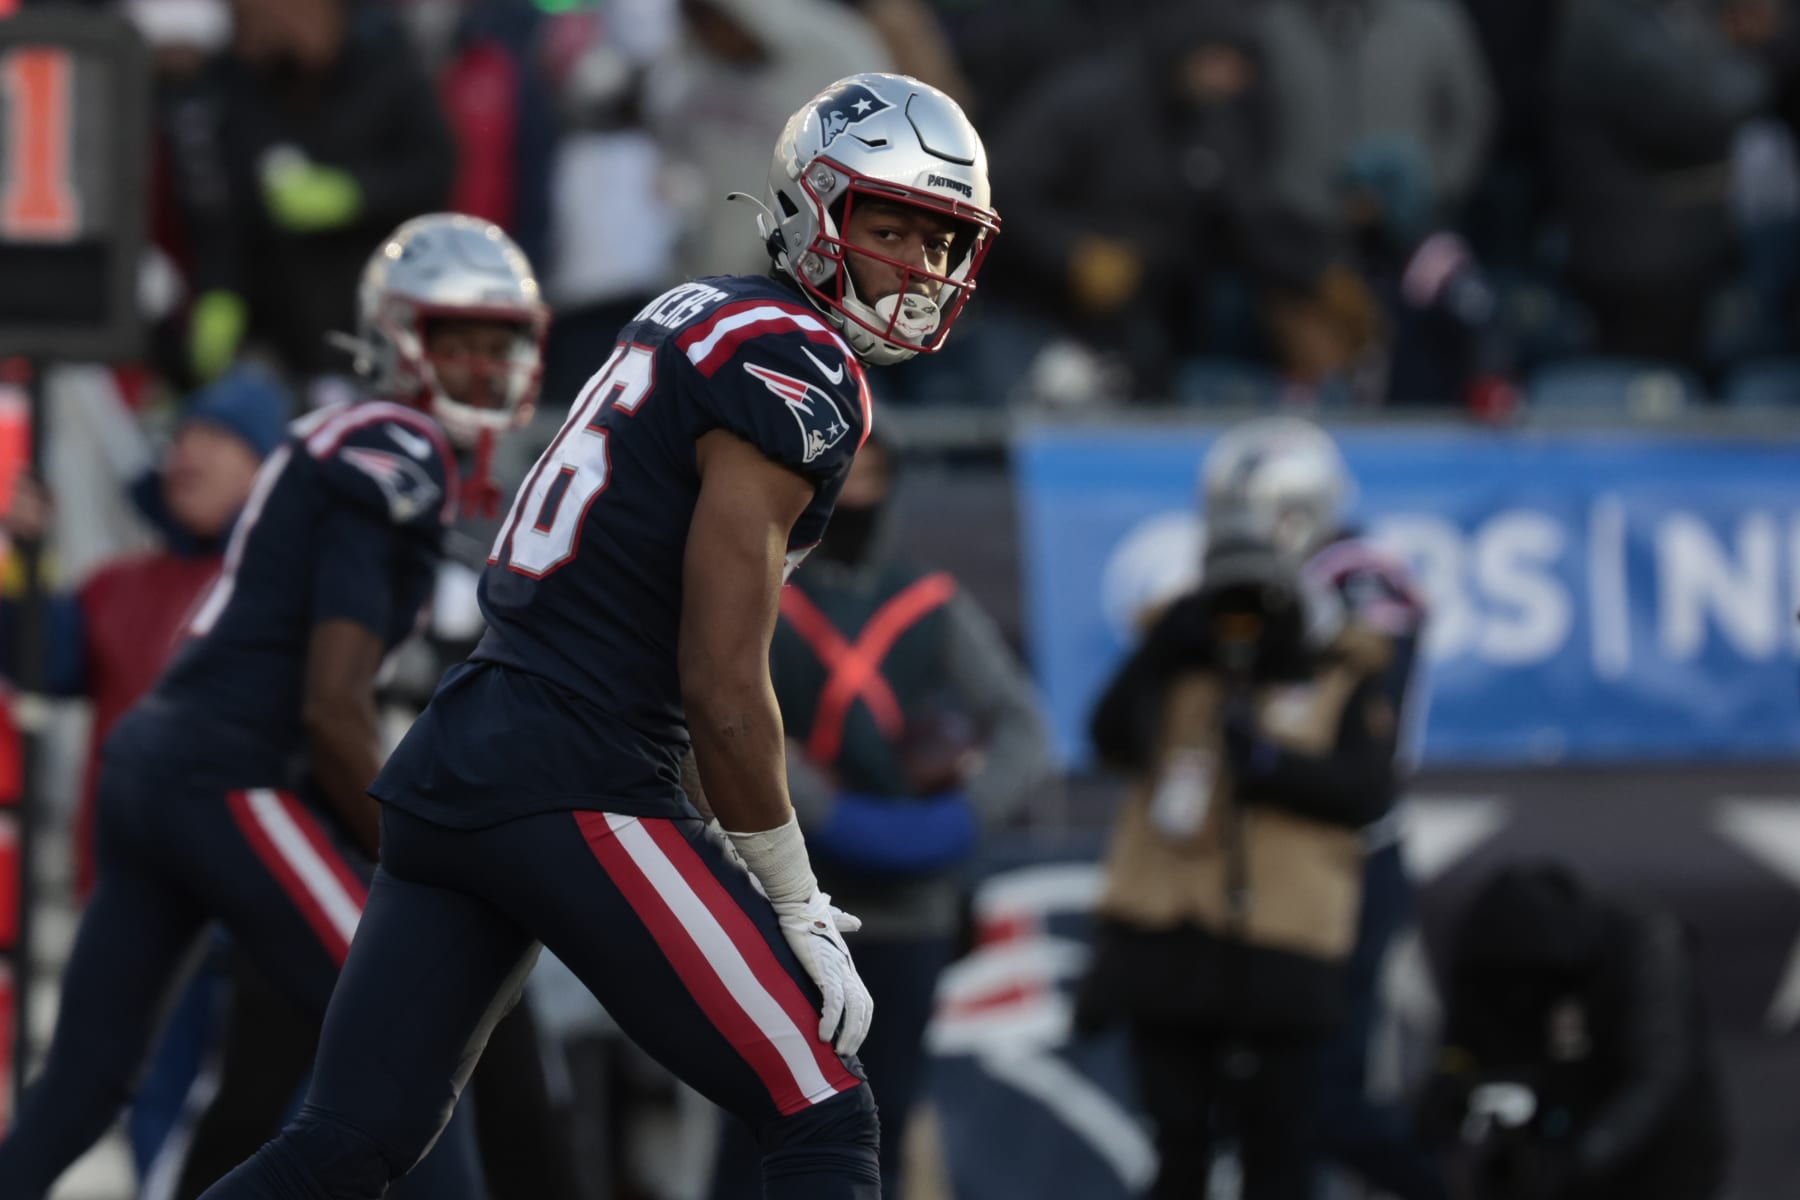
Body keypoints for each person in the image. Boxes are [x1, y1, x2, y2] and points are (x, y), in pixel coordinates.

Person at [197, 72, 1000, 1200]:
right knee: (825, 1110)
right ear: (814, 208)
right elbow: (722, 680)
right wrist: (792, 892)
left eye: (939, 234)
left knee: (347, 1141)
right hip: (576, 769)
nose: (916, 262)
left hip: (462, 746)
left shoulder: (697, 309)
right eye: (890, 224)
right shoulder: (799, 364)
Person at [0, 212, 549, 1200]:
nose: (478, 366)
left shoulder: (341, 434)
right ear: (395, 338)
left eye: (496, 340)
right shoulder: (396, 449)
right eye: (453, 339)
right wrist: (424, 857)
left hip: (155, 770)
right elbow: (331, 705)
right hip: (227, 775)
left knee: (81, 1086)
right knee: (415, 1038)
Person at [1078, 416, 1425, 1200]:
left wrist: (1277, 649)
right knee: (1187, 1126)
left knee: (1313, 1109)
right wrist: (1179, 641)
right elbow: (1120, 735)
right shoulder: (1205, 604)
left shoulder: (1360, 583)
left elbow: (1363, 724)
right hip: (1206, 883)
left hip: (1329, 877)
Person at [709, 423, 1054, 1199]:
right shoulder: (764, 593)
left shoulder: (927, 599)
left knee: (884, 1117)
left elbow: (1024, 728)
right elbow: (721, 719)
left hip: (912, 911)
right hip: (787, 898)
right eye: (846, 470)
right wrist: (821, 810)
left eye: (876, 471)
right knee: (761, 1118)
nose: (859, 488)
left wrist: (960, 819)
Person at [1422, 861, 1728, 1200]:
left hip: (1661, 1154)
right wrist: (1449, 1092)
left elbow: (1658, 1076)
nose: (1525, 999)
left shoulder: (1643, 946)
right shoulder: (1492, 955)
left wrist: (1581, 1158)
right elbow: (1463, 1046)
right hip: (1558, 1132)